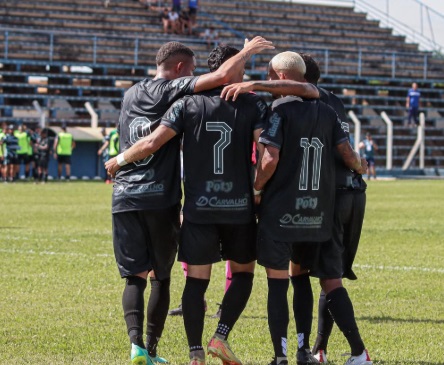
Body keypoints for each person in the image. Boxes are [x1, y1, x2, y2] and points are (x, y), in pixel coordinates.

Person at [104, 38, 274, 365]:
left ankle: (186, 354)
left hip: (185, 206)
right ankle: (218, 337)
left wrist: (121, 158)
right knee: (237, 275)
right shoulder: (250, 104)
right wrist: (258, 189)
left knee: (186, 281)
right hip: (231, 205)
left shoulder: (171, 101)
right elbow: (266, 156)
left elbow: (152, 141)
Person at [252, 51, 367, 365]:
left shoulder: (278, 108)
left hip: (282, 208)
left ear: (283, 77)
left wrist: (257, 187)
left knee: (279, 283)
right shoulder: (329, 109)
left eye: (271, 76)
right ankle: (308, 350)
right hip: (319, 209)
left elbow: (269, 159)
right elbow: (347, 153)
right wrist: (361, 165)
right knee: (309, 278)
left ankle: (281, 355)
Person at [297, 53, 370, 365]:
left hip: (330, 195)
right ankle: (320, 350)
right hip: (353, 192)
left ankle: (359, 353)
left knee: (330, 279)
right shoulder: (335, 100)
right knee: (330, 272)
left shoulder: (302, 103)